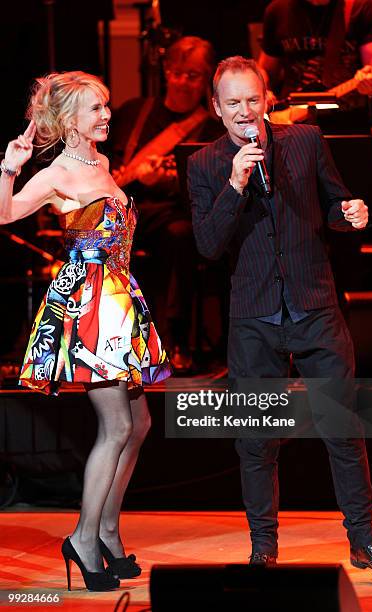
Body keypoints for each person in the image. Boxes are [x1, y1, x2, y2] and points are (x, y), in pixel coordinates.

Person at [187, 56, 372, 585]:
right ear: (216, 109)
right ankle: (263, 549)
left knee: (343, 431)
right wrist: (236, 183)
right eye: (233, 103)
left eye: (253, 99)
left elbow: (334, 202)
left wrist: (350, 213)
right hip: (252, 317)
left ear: (268, 98)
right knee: (257, 441)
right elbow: (208, 246)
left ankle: (364, 542)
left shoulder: (305, 141)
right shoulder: (204, 165)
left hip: (315, 306)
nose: (245, 111)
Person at [0, 71, 171, 591]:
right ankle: (83, 537)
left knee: (137, 426)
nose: (106, 116)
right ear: (69, 118)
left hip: (121, 299)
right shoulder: (55, 174)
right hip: (90, 306)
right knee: (117, 427)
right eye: (95, 109)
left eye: (106, 107)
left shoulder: (102, 163)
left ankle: (108, 532)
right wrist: (9, 170)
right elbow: (4, 214)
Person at [111, 36, 224, 372]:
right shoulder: (134, 111)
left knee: (180, 234)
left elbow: (209, 189)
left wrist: (166, 182)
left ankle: (173, 336)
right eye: (177, 73)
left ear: (206, 80)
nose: (183, 82)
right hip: (129, 209)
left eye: (193, 76)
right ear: (166, 72)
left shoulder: (211, 128)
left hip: (175, 213)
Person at [258, 0, 372, 130]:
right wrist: (261, 92)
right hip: (290, 119)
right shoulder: (278, 9)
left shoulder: (359, 7)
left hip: (346, 121)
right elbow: (266, 70)